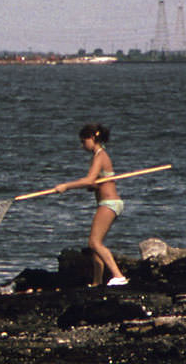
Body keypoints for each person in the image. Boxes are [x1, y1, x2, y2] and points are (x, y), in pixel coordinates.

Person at [54, 123, 128, 287]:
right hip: (107, 202)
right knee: (95, 244)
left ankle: (118, 276)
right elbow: (94, 182)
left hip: (109, 204)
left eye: (83, 141)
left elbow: (88, 179)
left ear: (93, 138)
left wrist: (66, 186)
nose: (82, 146)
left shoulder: (100, 155)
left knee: (94, 243)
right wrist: (92, 186)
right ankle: (97, 282)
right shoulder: (98, 156)